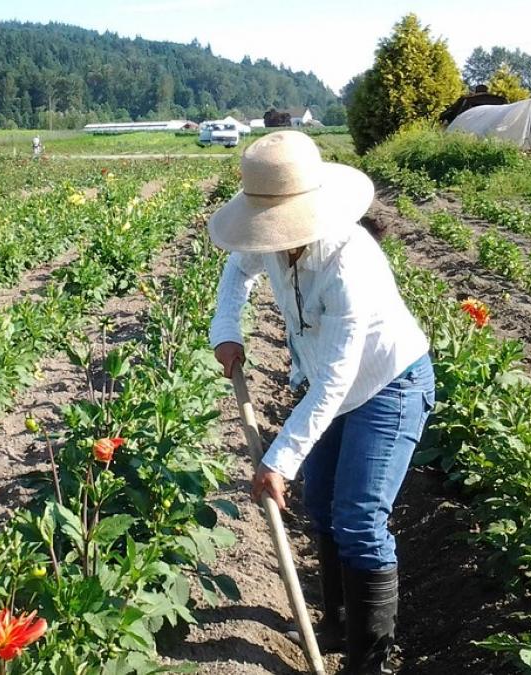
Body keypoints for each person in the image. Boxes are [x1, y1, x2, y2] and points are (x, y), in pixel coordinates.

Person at [207, 131, 434, 675]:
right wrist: (227, 328)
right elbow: (237, 271)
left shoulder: (346, 263)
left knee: (358, 519)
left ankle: (367, 663)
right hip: (332, 387)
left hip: (388, 385)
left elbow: (335, 381)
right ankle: (334, 623)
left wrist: (279, 460)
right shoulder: (271, 239)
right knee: (323, 506)